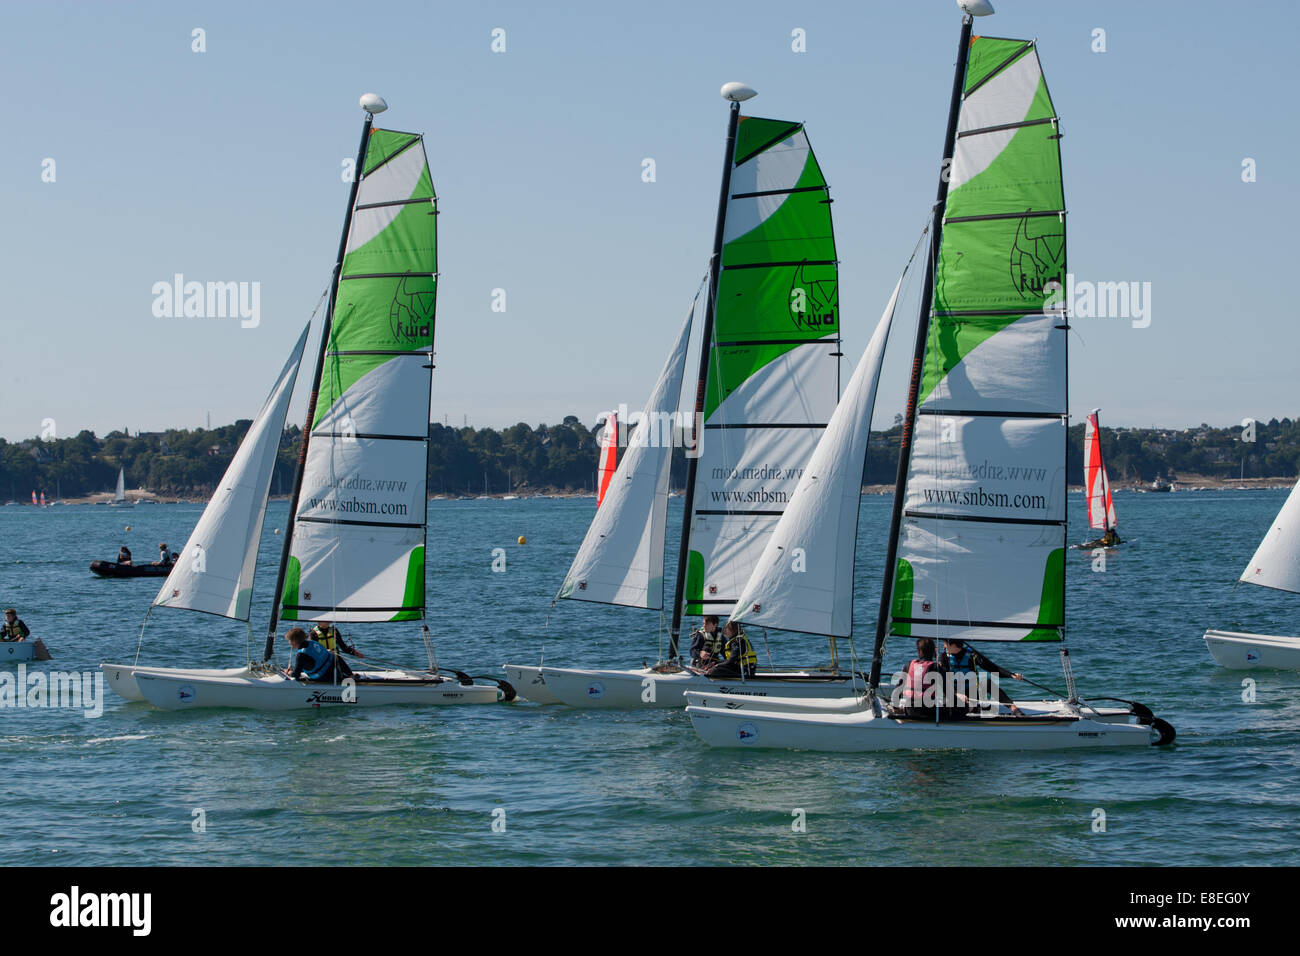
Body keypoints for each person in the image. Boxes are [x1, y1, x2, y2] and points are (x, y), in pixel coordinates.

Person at [941, 638, 1024, 716]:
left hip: (972, 693)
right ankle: (974, 708)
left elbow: (991, 667)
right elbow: (944, 681)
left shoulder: (971, 655)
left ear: (953, 645)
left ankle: (1014, 709)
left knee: (987, 682)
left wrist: (1011, 675)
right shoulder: (944, 657)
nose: (944, 646)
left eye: (945, 644)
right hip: (954, 694)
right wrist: (956, 694)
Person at [897, 638, 942, 717]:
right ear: (933, 651)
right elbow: (948, 691)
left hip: (911, 711)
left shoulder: (908, 666)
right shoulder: (936, 668)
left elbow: (898, 689)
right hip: (930, 712)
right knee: (963, 706)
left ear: (920, 651)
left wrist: (895, 707)